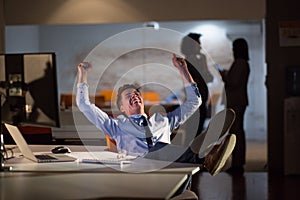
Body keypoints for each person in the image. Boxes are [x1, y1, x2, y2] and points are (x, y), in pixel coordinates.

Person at [76, 54, 236, 176]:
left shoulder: (163, 120)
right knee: (157, 149)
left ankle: (206, 153)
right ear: (122, 108)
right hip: (137, 167)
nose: (134, 96)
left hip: (169, 168)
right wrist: (83, 74)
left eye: (137, 94)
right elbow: (84, 104)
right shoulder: (116, 125)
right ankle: (207, 153)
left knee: (163, 148)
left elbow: (195, 102)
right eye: (128, 96)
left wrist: (183, 70)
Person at [219, 38, 250, 174]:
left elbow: (233, 81)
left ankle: (237, 164)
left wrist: (224, 75)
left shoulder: (239, 63)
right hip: (239, 101)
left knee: (236, 133)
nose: (232, 50)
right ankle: (238, 162)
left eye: (234, 47)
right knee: (237, 132)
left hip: (236, 102)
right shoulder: (243, 63)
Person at [180, 33, 213, 136]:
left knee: (197, 133)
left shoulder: (197, 60)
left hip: (201, 101)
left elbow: (209, 78)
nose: (200, 46)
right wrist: (203, 65)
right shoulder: (188, 62)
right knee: (193, 134)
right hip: (195, 103)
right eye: (198, 43)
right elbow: (202, 78)